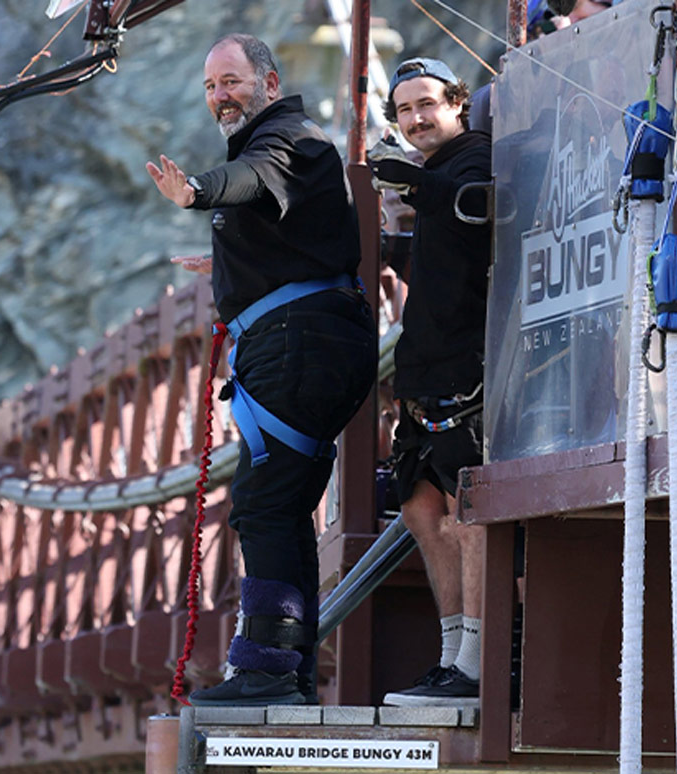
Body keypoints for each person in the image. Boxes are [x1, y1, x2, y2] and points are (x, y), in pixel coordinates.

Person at [146, 33, 377, 706]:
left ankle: (267, 671)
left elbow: (247, 179)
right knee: (283, 504)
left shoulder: (288, 141)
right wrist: (226, 263)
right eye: (210, 86)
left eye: (232, 81)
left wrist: (196, 192)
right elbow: (288, 230)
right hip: (311, 341)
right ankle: (287, 670)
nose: (220, 96)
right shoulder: (287, 144)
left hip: (298, 346)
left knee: (264, 504)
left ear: (270, 84)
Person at [367, 57, 492, 707]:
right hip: (424, 367)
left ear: (457, 104)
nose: (416, 118)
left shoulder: (474, 158)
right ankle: (449, 656)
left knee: (469, 513)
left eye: (427, 104)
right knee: (420, 509)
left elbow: (478, 209)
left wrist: (414, 182)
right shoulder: (438, 172)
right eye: (405, 110)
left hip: (466, 367)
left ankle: (474, 664)